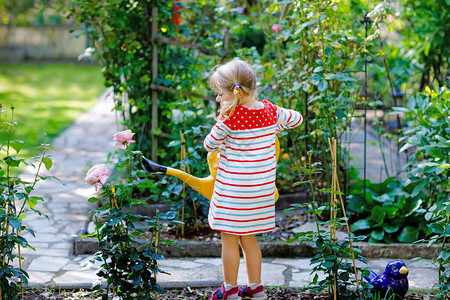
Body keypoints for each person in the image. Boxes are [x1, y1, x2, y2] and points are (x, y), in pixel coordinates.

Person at [204, 58, 303, 300]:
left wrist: (221, 121)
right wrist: (275, 127)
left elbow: (209, 144)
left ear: (233, 93)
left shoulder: (228, 119)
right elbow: (297, 118)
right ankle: (256, 288)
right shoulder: (271, 111)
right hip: (259, 194)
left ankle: (229, 290)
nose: (217, 99)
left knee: (229, 239)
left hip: (233, 193)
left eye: (219, 94)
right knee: (249, 239)